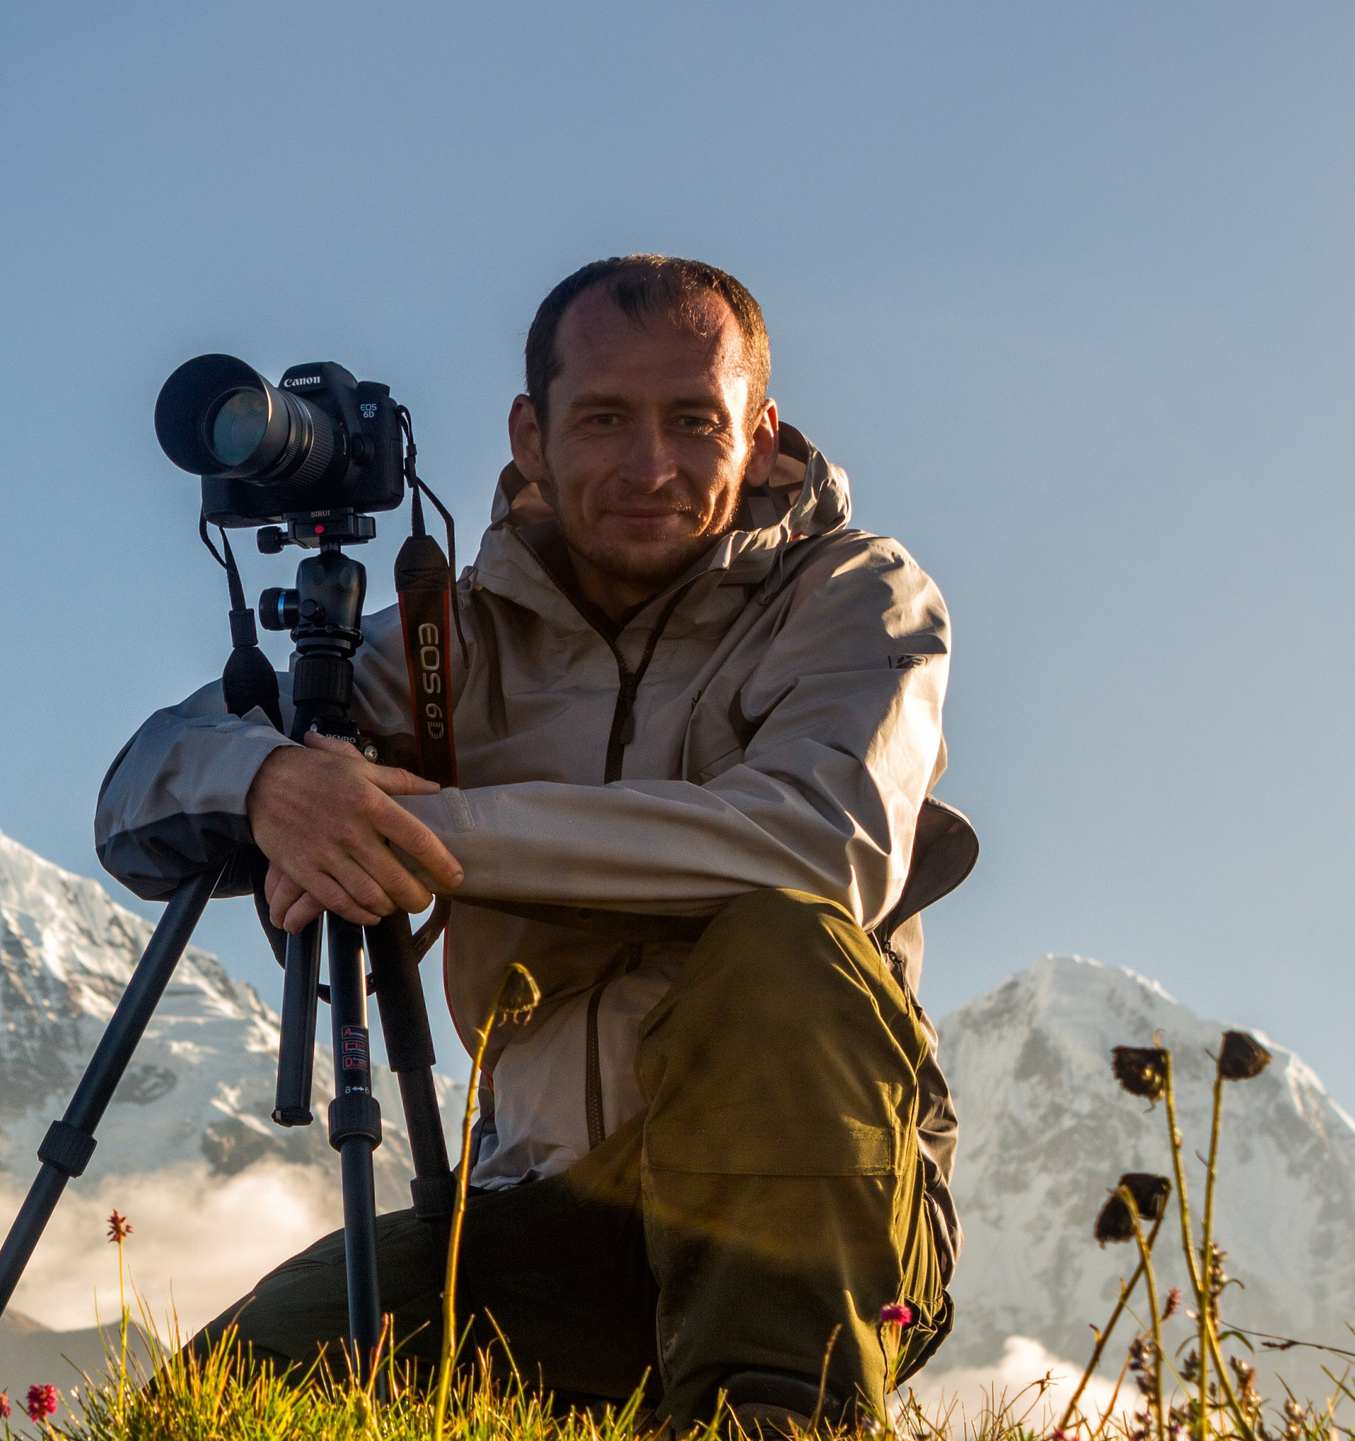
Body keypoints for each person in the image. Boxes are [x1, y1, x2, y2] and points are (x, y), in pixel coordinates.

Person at [94, 255, 965, 1427]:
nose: (649, 465)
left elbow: (821, 843)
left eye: (692, 421)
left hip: (815, 1213)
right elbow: (135, 792)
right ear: (530, 435)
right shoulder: (457, 639)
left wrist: (405, 828)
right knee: (195, 1411)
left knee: (784, 942)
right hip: (544, 1212)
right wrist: (274, 783)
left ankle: (772, 1416)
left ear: (759, 436)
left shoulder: (855, 594)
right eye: (603, 418)